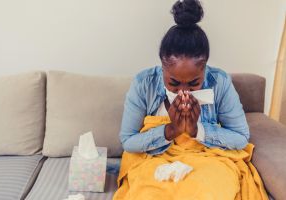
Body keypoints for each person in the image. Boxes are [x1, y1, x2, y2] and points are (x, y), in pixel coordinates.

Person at [113, 0, 268, 199]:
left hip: (209, 157)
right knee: (150, 193)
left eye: (194, 83)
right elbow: (128, 140)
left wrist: (197, 130)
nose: (183, 92)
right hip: (156, 157)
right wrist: (171, 130)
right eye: (174, 83)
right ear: (162, 67)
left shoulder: (219, 82)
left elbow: (240, 138)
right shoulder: (144, 83)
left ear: (205, 69)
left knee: (209, 191)